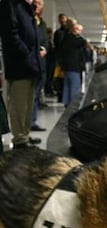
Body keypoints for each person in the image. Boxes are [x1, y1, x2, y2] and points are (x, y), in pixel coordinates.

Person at [0, 0, 42, 149]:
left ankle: (24, 134)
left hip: (30, 65)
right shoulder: (10, 5)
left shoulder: (26, 8)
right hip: (19, 65)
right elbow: (11, 36)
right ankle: (20, 140)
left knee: (27, 105)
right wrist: (28, 56)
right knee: (19, 105)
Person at [60, 20, 87, 108]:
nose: (80, 32)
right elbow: (83, 41)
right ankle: (72, 104)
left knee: (67, 85)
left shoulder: (66, 38)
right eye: (78, 30)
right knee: (74, 86)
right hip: (73, 67)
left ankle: (67, 103)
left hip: (67, 66)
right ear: (73, 29)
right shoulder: (73, 39)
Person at [31, 0, 47, 131]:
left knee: (35, 95)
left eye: (39, 4)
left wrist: (44, 49)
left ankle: (32, 122)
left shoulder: (42, 23)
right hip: (29, 63)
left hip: (40, 64)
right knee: (29, 96)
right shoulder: (26, 18)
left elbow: (45, 41)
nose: (37, 6)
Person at [53, 13, 67, 102]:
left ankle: (64, 96)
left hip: (66, 59)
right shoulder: (58, 33)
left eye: (64, 19)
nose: (62, 21)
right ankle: (60, 96)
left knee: (65, 78)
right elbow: (56, 45)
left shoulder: (68, 32)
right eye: (61, 19)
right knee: (58, 78)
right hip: (59, 59)